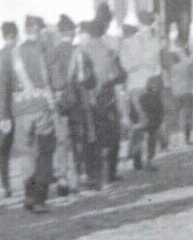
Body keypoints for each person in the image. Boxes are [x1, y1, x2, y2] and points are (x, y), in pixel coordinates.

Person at [9, 17, 58, 212]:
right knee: (45, 152)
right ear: (37, 30)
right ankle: (40, 198)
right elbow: (53, 79)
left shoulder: (15, 52)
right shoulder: (44, 50)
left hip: (21, 108)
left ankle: (29, 194)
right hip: (41, 106)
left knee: (25, 151)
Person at [45, 14, 91, 193]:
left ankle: (63, 178)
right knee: (78, 137)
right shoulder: (78, 52)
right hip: (76, 100)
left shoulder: (51, 53)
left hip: (58, 101)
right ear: (72, 32)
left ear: (59, 33)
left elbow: (46, 79)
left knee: (61, 140)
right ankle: (81, 174)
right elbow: (84, 78)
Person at [76, 20, 124, 189]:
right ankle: (110, 173)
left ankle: (93, 176)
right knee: (112, 134)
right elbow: (120, 75)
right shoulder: (109, 51)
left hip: (89, 99)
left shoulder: (82, 51)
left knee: (91, 138)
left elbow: (79, 78)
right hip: (108, 96)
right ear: (102, 33)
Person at [121, 12, 166, 170]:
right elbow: (157, 66)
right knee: (149, 124)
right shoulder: (149, 41)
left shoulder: (132, 42)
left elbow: (127, 66)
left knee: (145, 122)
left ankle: (140, 156)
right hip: (144, 87)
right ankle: (145, 158)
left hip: (140, 86)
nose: (148, 27)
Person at [0, 22, 23, 199]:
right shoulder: (17, 54)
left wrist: (1, 114)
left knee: (4, 149)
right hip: (16, 108)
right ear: (16, 35)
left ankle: (5, 185)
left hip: (4, 109)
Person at [168, 40, 193, 146]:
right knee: (187, 116)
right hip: (186, 91)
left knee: (175, 116)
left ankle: (171, 141)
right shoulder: (186, 59)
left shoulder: (171, 61)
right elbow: (190, 68)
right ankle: (187, 139)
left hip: (175, 91)